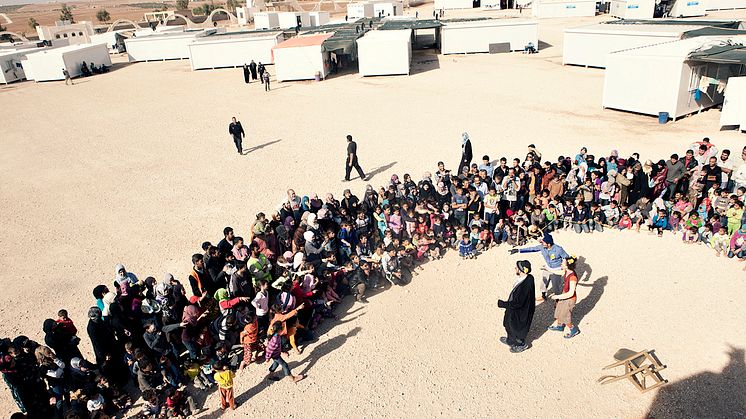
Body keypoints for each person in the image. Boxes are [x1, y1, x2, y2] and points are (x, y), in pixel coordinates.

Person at [509, 232, 569, 301]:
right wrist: (518, 250)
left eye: (543, 242)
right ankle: (543, 296)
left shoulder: (559, 249)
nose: (541, 242)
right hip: (547, 268)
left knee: (556, 286)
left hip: (556, 269)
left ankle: (557, 300)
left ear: (548, 244)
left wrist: (564, 266)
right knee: (543, 283)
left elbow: (566, 257)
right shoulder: (542, 247)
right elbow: (532, 249)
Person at [498, 260, 536, 353]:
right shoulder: (529, 277)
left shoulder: (525, 285)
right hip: (515, 308)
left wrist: (503, 304)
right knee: (508, 324)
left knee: (517, 327)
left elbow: (518, 302)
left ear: (521, 270)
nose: (515, 269)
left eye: (516, 268)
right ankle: (510, 340)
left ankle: (521, 344)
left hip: (520, 310)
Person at [547, 256, 580, 339]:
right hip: (564, 294)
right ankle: (560, 325)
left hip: (569, 298)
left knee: (565, 314)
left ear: (566, 266)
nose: (561, 263)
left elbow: (571, 293)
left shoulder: (573, 277)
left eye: (563, 262)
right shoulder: (567, 271)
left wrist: (557, 296)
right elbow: (559, 273)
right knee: (559, 309)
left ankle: (573, 330)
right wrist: (547, 268)